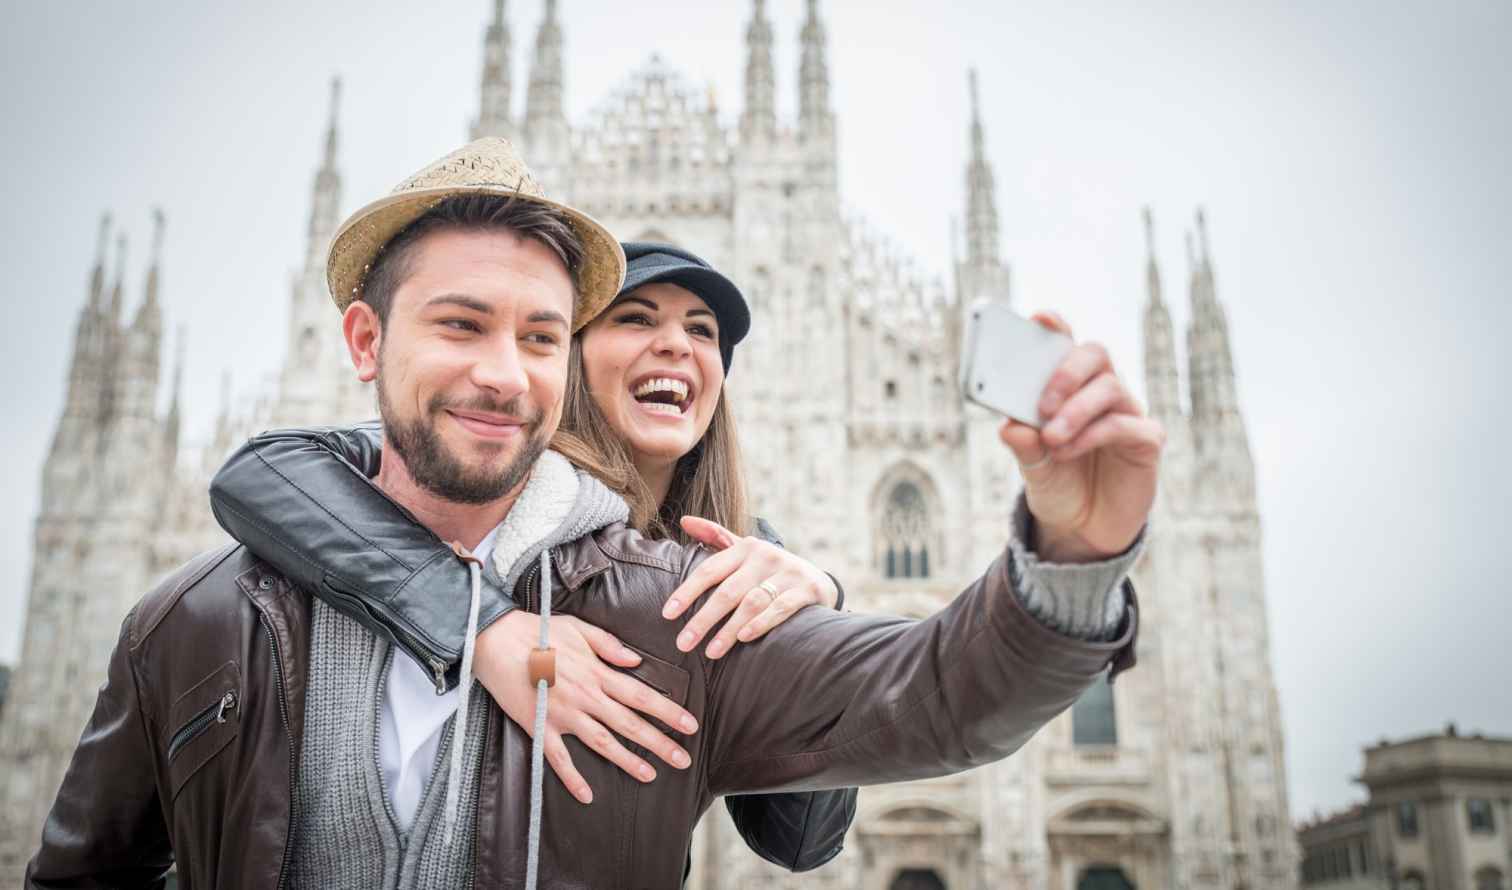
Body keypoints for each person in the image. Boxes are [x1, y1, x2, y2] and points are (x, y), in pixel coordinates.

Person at [27, 137, 1159, 889]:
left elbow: (925, 705)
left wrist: (1066, 553)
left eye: (531, 332)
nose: (502, 370)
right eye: (463, 325)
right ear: (368, 344)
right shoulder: (208, 611)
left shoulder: (687, 602)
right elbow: (262, 471)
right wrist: (477, 618)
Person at [209, 240, 861, 876]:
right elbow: (265, 470)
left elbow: (798, 840)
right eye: (635, 318)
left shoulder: (736, 555)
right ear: (569, 359)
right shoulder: (488, 477)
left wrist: (818, 616)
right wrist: (486, 625)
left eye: (702, 330)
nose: (675, 343)